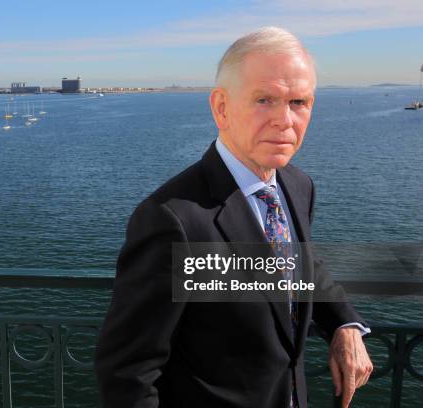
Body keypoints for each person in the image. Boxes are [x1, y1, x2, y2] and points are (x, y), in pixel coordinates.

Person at [94, 27, 373, 408]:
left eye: (298, 102)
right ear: (221, 107)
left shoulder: (297, 185)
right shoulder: (172, 221)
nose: (285, 120)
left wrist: (344, 324)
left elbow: (299, 261)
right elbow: (128, 374)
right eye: (264, 99)